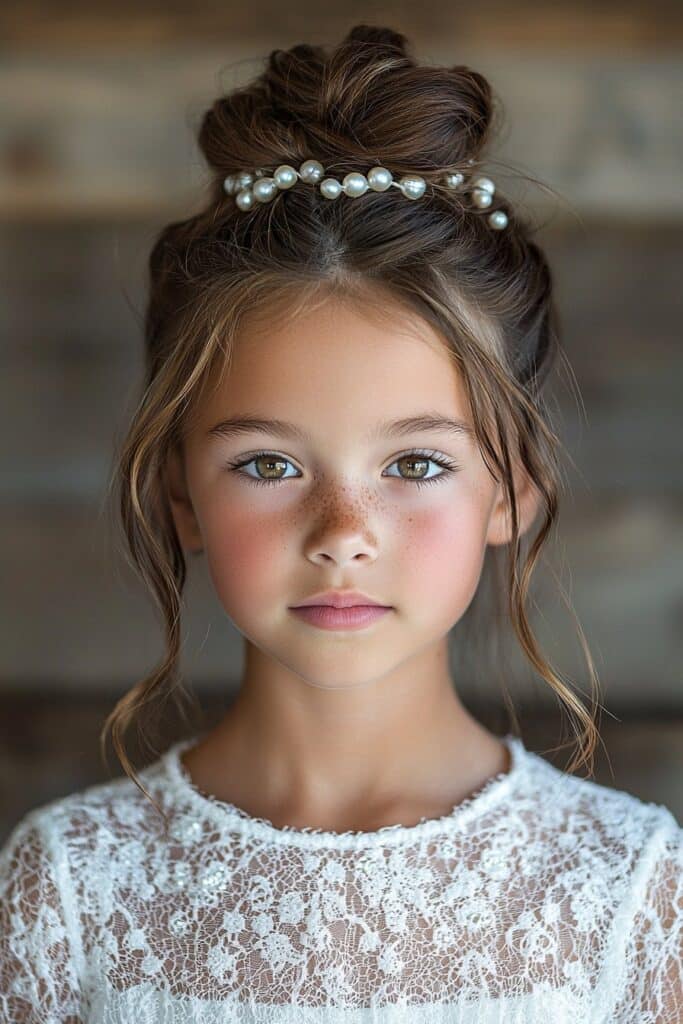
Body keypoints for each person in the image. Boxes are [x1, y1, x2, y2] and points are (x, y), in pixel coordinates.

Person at [1, 23, 680, 1023]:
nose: (341, 531)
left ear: (509, 493)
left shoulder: (632, 896)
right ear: (180, 496)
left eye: (414, 463)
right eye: (267, 463)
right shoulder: (64, 889)